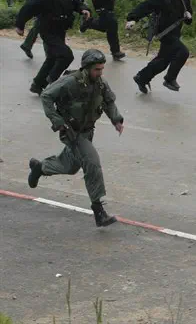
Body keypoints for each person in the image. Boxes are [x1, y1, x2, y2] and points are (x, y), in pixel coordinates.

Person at [27, 49, 124, 227]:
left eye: (102, 69)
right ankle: (99, 212)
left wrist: (116, 120)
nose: (100, 72)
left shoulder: (100, 83)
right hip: (72, 132)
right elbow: (46, 95)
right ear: (86, 68)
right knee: (92, 162)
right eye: (97, 69)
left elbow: (109, 101)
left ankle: (40, 168)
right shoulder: (70, 81)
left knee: (71, 166)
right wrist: (58, 121)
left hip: (87, 132)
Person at [15, 0, 91, 95]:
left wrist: (83, 9)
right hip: (47, 30)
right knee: (66, 55)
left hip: (60, 29)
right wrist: (20, 25)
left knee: (52, 58)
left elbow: (77, 3)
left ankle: (37, 84)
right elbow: (29, 7)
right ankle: (52, 82)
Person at [125, 0, 193, 93]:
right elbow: (145, 6)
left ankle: (141, 78)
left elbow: (188, 21)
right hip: (164, 34)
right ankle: (169, 79)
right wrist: (132, 19)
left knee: (162, 62)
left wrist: (189, 17)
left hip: (176, 34)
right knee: (183, 52)